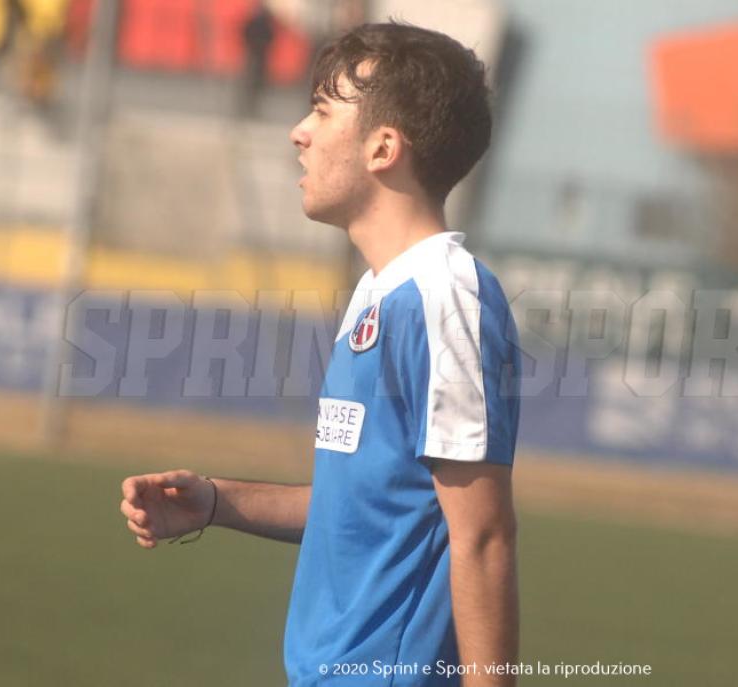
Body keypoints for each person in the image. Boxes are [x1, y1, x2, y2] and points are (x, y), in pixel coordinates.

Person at [120, 22, 521, 687]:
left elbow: (482, 536)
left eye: (323, 110)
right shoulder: (377, 291)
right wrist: (216, 502)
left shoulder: (445, 295)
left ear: (383, 147)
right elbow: (363, 505)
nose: (298, 132)